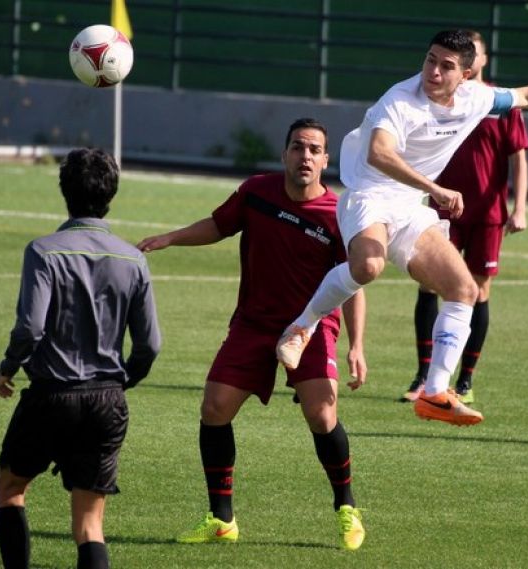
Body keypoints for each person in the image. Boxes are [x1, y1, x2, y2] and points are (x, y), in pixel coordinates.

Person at [276, 29, 528, 426]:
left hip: (411, 206)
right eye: (430, 59)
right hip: (370, 194)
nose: (434, 71)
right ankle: (300, 327)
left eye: (446, 66)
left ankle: (434, 392)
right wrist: (435, 189)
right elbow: (378, 154)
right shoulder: (400, 100)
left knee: (465, 290)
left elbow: (527, 96)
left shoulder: (476, 98)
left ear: (465, 75)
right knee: (368, 267)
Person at [136, 118, 368, 551]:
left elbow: (353, 281)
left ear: (325, 161)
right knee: (214, 408)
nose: (306, 156)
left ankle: (347, 508)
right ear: (284, 155)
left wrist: (356, 345)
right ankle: (221, 519)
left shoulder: (338, 215)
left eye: (315, 150)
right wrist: (171, 238)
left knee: (322, 416)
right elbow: (219, 225)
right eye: (298, 147)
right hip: (254, 323)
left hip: (311, 327)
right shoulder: (257, 192)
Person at [0, 148, 162, 569]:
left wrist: (8, 367)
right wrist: (122, 381)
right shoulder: (133, 259)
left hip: (51, 395)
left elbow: (30, 328)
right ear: (112, 193)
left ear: (64, 191)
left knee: (11, 489)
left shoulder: (44, 252)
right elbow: (150, 345)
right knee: (89, 524)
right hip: (107, 401)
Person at [402, 30, 528, 404]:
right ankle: (423, 377)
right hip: (443, 207)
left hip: (488, 213)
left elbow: (518, 156)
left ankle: (464, 381)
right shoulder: (434, 99)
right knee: (429, 284)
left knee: (477, 292)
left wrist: (519, 207)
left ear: (480, 62)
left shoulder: (497, 103)